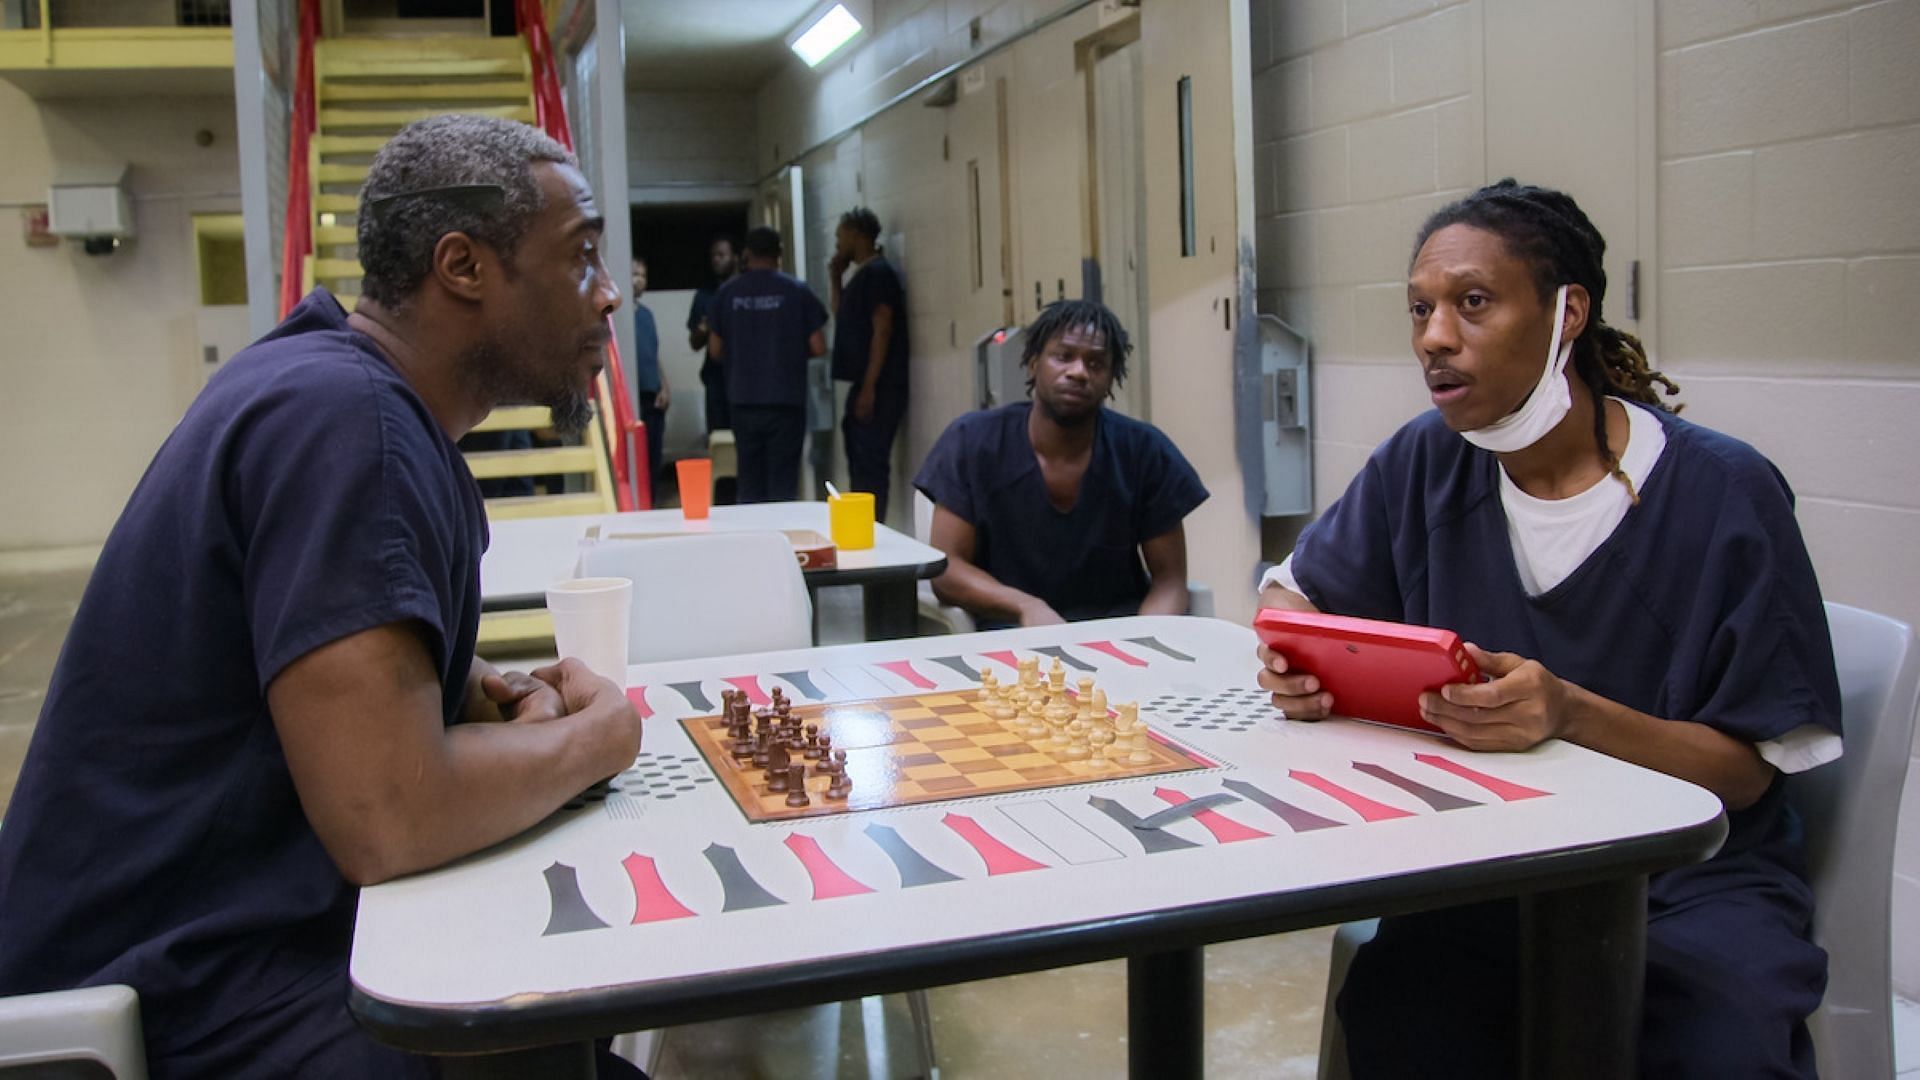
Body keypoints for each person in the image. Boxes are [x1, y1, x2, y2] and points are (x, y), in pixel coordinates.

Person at [0, 115, 645, 1078]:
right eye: (581, 257)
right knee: (527, 1027)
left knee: (561, 1012)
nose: (606, 297)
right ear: (462, 266)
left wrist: (480, 690)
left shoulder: (330, 389)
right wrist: (599, 736)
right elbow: (391, 817)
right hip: (162, 995)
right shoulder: (351, 428)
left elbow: (326, 684)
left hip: (218, 949)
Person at [1256, 179, 1840, 1079]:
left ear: (1569, 311)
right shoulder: (1425, 460)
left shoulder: (1724, 493)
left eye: (1472, 303)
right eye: (1420, 309)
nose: (1434, 337)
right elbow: (1294, 597)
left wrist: (1568, 712)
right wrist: (1290, 657)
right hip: (1490, 865)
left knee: (1715, 1050)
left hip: (1686, 884)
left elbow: (1745, 774)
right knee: (1405, 1018)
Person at [914, 298, 1208, 629]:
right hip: (1007, 637)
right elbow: (947, 570)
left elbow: (1169, 581)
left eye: (1096, 363)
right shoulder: (972, 442)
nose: (1079, 372)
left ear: (1112, 379)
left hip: (1115, 636)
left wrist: (1141, 641)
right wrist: (1025, 606)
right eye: (1063, 356)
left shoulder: (1144, 451)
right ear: (1033, 363)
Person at [706, 226, 828, 503]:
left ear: (746, 254)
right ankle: (782, 541)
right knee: (782, 485)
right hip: (786, 402)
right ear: (780, 254)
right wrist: (786, 353)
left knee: (749, 483)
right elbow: (819, 346)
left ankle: (752, 541)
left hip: (743, 401)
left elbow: (715, 350)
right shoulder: (797, 291)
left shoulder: (728, 293)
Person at [828, 207, 909, 521]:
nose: (837, 242)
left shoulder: (878, 274)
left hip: (878, 385)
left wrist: (870, 387)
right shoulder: (860, 276)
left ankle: (873, 530)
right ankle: (863, 526)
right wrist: (835, 278)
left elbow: (883, 328)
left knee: (870, 465)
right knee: (859, 461)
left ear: (857, 234)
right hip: (864, 383)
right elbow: (842, 317)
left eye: (840, 235)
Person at [687, 234, 738, 435]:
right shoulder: (704, 295)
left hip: (745, 376)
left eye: (722, 254)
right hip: (716, 378)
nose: (716, 259)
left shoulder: (744, 291)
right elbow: (694, 342)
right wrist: (704, 328)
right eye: (713, 255)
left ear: (734, 257)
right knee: (718, 438)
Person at [631, 255, 668, 494]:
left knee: (654, 458)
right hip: (634, 397)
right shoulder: (619, 316)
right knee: (637, 461)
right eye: (634, 274)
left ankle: (652, 504)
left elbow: (654, 355)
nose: (639, 280)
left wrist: (664, 386)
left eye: (643, 275)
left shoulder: (647, 314)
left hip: (653, 395)